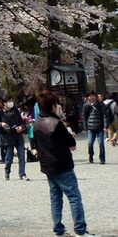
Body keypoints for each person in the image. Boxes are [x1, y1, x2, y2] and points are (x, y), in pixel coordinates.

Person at [34, 90, 92, 236]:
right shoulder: (56, 123)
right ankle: (80, 229)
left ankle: (58, 229)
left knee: (55, 197)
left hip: (48, 166)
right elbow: (71, 143)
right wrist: (69, 133)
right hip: (62, 165)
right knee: (74, 197)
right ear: (53, 106)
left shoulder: (37, 123)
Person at [0, 98, 29, 181]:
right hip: (7, 137)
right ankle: (7, 172)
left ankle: (22, 174)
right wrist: (1, 124)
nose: (11, 103)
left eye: (11, 101)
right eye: (8, 101)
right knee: (9, 158)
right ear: (4, 103)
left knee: (22, 156)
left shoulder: (16, 111)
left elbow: (22, 122)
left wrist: (21, 127)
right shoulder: (0, 112)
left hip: (18, 136)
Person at [82, 91, 107, 164]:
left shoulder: (100, 105)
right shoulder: (86, 105)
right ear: (88, 97)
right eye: (89, 96)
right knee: (90, 143)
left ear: (95, 97)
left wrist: (105, 126)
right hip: (91, 128)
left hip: (100, 127)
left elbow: (104, 116)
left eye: (93, 95)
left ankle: (102, 158)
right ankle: (91, 155)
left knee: (101, 143)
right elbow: (84, 117)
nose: (91, 97)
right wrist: (85, 127)